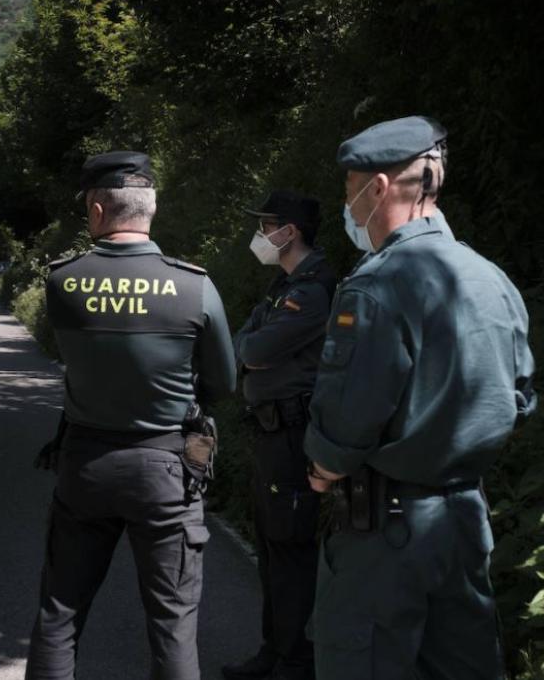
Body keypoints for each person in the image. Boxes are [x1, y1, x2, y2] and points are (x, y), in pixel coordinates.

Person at [302, 116, 537, 679]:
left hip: (385, 533)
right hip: (463, 522)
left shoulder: (375, 285)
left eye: (349, 191)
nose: (348, 207)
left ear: (377, 188)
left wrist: (322, 467)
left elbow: (343, 429)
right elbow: (520, 398)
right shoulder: (489, 277)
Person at [26, 150, 237, 680]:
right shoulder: (193, 286)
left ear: (97, 211)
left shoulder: (62, 282)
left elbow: (73, 353)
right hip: (167, 468)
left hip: (85, 462)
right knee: (172, 623)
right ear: (152, 208)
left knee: (61, 612)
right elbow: (224, 383)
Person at [223, 191, 336, 680]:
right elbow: (240, 345)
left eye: (266, 225)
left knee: (289, 545)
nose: (260, 235)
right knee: (272, 543)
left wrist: (248, 349)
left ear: (289, 231)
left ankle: (293, 657)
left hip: (293, 434)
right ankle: (277, 649)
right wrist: (248, 349)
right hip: (270, 433)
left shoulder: (313, 290)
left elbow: (257, 346)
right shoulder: (282, 284)